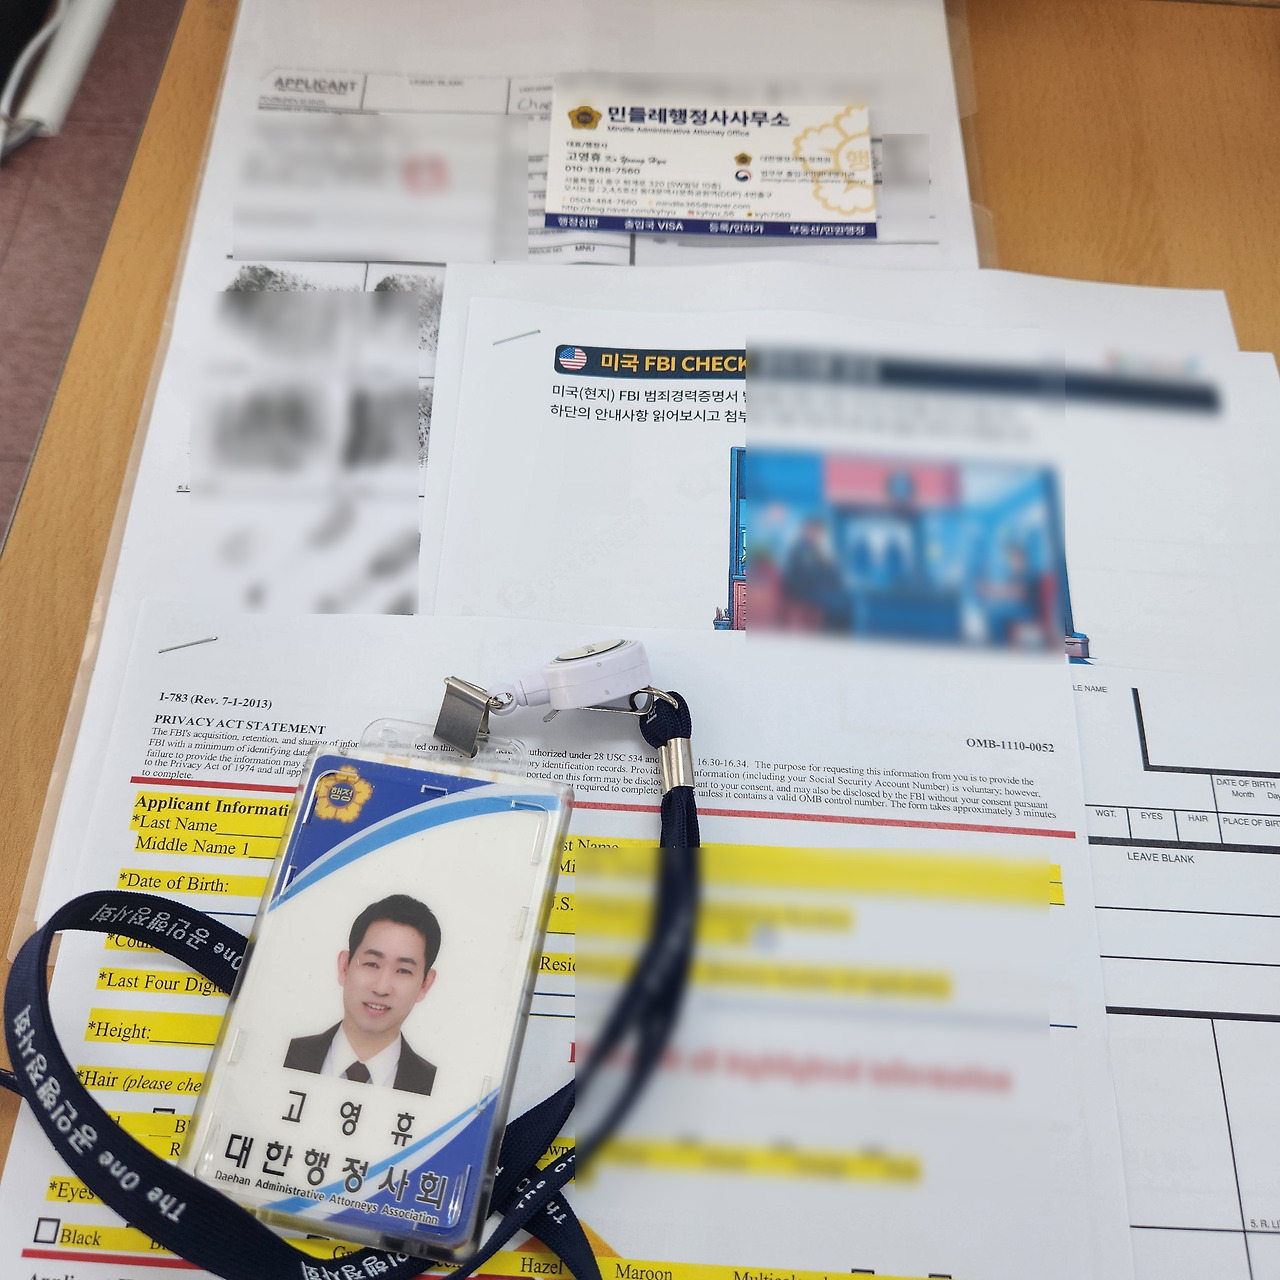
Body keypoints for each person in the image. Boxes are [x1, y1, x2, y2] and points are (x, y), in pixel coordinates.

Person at [284, 894, 440, 1095]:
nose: (381, 988)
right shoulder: (288, 1054)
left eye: (403, 970)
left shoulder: (435, 1087)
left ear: (425, 984)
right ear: (344, 967)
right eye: (371, 964)